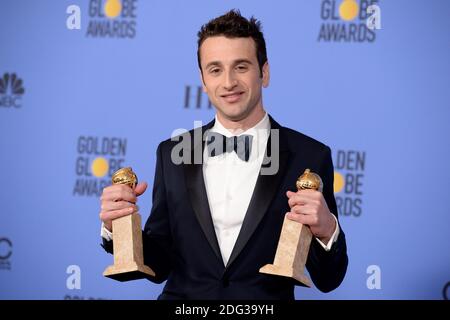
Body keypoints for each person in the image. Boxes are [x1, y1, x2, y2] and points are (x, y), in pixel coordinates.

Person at [99, 9, 348, 300]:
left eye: (241, 67)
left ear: (264, 73)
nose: (228, 82)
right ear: (203, 80)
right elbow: (158, 264)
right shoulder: (173, 153)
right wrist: (117, 226)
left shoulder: (309, 156)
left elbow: (329, 279)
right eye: (215, 69)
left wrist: (326, 229)